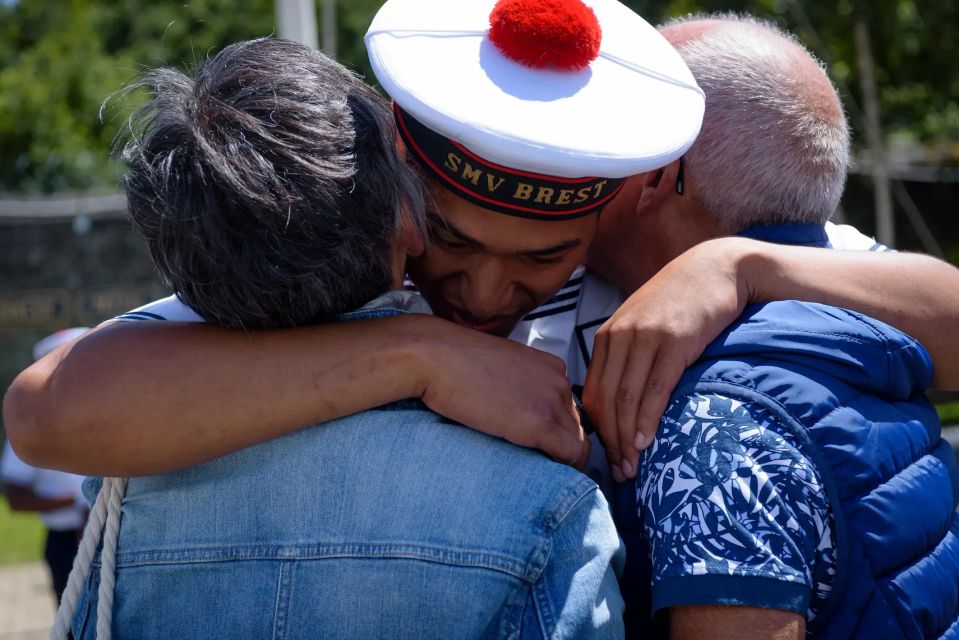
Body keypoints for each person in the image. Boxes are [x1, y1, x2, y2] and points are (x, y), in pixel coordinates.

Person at [59, 38, 627, 640]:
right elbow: (47, 408)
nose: (484, 296)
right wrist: (420, 354)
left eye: (545, 256)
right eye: (451, 238)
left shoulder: (135, 489)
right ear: (405, 214)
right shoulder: (551, 513)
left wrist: (732, 266)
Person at [584, 15, 959, 638]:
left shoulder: (716, 432)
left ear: (656, 175)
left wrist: (737, 263)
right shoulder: (845, 299)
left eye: (608, 140)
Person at [0, 329, 88, 603]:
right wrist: (77, 503)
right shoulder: (35, 426)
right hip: (65, 541)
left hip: (117, 536)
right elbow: (16, 498)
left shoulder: (116, 414)